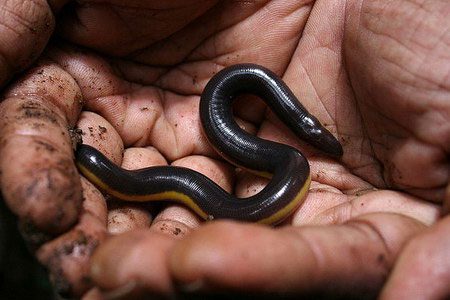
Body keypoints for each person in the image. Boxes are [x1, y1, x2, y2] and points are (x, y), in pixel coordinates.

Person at [0, 0, 448, 299]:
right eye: (86, 158)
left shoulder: (292, 159)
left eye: (85, 158)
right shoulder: (288, 162)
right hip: (271, 172)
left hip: (280, 169)